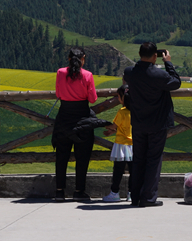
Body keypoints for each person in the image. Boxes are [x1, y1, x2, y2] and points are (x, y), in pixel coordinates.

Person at [123, 42, 181, 207]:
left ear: (139, 54)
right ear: (155, 56)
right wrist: (168, 63)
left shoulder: (130, 72)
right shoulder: (159, 75)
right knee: (153, 160)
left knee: (138, 159)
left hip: (138, 122)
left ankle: (135, 196)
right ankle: (148, 197)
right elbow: (176, 83)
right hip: (157, 123)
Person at [51, 46, 103, 201]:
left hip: (64, 117)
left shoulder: (60, 73)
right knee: (82, 156)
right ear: (83, 59)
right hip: (82, 118)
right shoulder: (87, 75)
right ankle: (79, 191)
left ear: (69, 58)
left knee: (62, 156)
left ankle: (59, 191)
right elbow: (92, 99)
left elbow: (59, 94)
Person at [101, 85, 132, 202]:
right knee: (134, 171)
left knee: (118, 170)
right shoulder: (137, 110)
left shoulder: (122, 111)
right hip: (134, 144)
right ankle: (131, 193)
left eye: (118, 96)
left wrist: (103, 124)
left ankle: (114, 193)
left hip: (121, 145)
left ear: (123, 97)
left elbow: (115, 126)